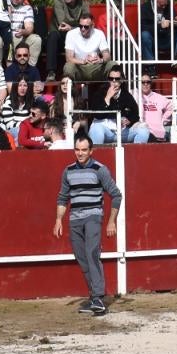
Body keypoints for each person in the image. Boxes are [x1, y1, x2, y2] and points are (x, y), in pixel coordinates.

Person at [53, 131, 122, 316]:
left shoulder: (100, 169)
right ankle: (93, 297)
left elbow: (116, 195)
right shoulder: (68, 171)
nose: (80, 153)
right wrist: (59, 220)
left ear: (91, 151)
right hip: (74, 218)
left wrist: (111, 222)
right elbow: (63, 197)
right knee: (82, 258)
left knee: (92, 254)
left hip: (93, 217)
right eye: (77, 150)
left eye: (84, 150)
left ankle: (98, 296)